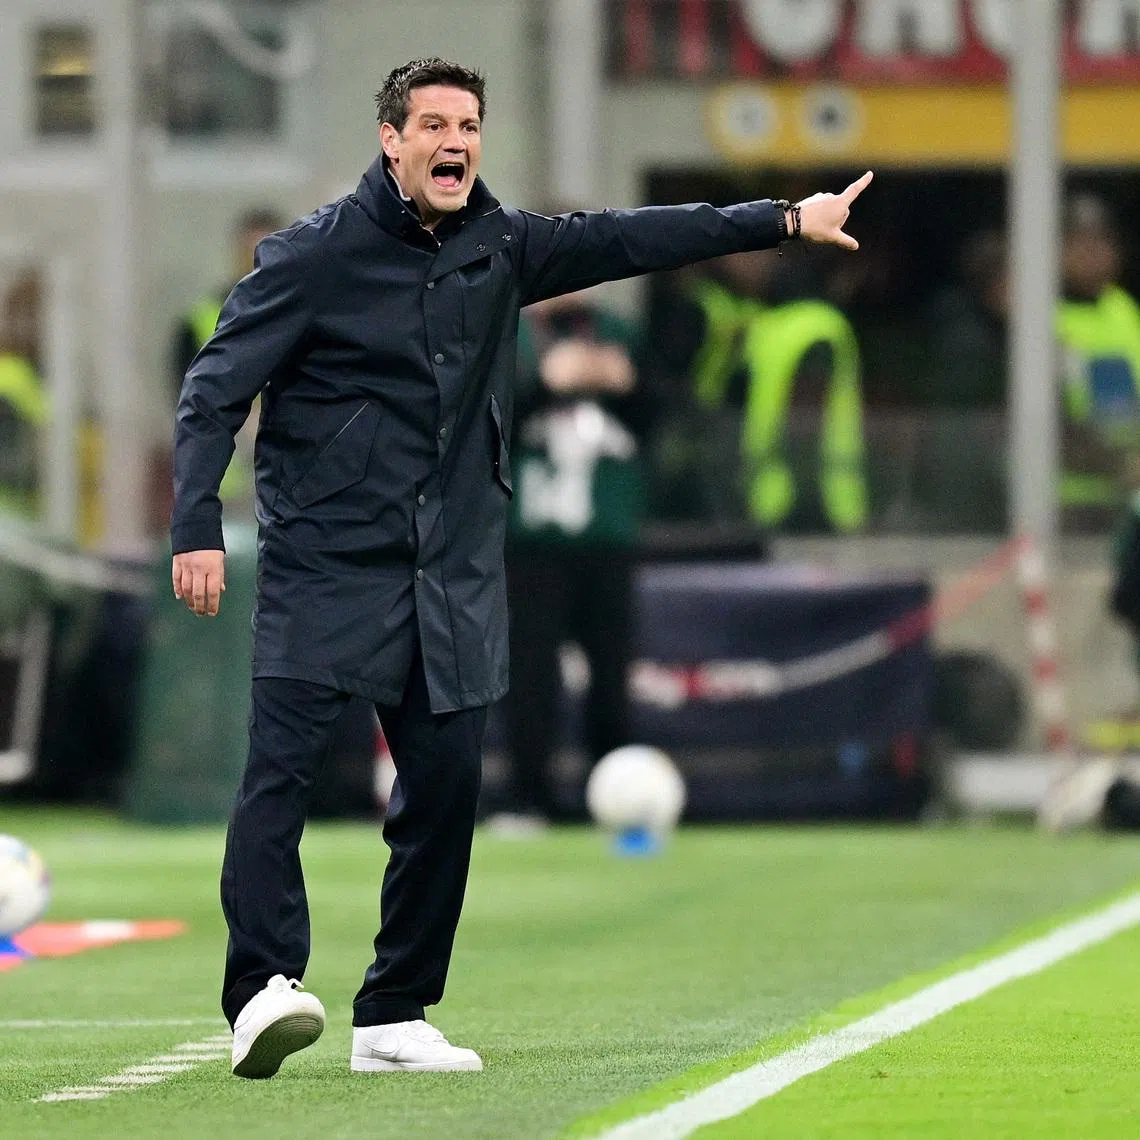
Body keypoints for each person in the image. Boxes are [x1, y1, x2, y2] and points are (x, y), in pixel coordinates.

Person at [170, 56, 872, 1079]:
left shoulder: (504, 246)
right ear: (392, 139)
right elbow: (212, 392)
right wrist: (194, 521)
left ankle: (394, 1013)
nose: (456, 141)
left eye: (471, 124)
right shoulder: (311, 256)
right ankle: (262, 990)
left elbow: (632, 238)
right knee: (278, 775)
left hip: (450, 570)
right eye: (436, 124)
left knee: (446, 789)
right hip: (327, 561)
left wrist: (781, 219)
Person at [495, 289, 654, 829]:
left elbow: (662, 421)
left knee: (612, 675)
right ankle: (529, 797)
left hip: (608, 538)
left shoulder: (620, 334)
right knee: (531, 674)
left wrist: (626, 386)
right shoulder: (507, 331)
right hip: (534, 538)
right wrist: (545, 385)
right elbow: (484, 426)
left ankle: (614, 796)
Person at [1055, 193, 1140, 531]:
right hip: (1069, 508)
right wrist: (1120, 464)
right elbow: (1047, 418)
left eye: (1101, 242)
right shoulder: (1043, 317)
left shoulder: (1124, 311)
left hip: (1127, 503)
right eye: (1080, 242)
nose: (1093, 254)